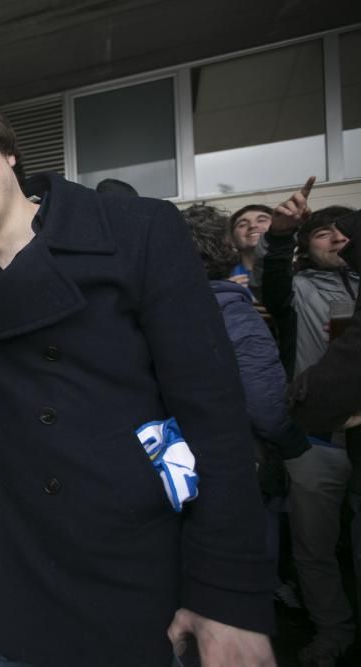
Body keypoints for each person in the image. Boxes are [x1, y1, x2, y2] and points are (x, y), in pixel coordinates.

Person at [0, 99, 275, 667]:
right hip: (3, 603)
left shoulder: (137, 233)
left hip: (125, 591)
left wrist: (228, 598)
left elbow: (215, 422)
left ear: (8, 152)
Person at [257, 183, 360, 667]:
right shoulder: (295, 291)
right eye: (324, 233)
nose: (337, 240)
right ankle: (332, 633)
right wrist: (279, 237)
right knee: (313, 550)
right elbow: (273, 279)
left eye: (345, 233)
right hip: (316, 443)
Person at [180, 203, 309, 566]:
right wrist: (293, 445)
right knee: (247, 567)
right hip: (238, 463)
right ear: (226, 247)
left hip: (176, 465)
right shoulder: (235, 315)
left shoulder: (157, 309)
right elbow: (265, 404)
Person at [229, 204, 273, 292]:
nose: (252, 226)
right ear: (232, 240)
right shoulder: (221, 278)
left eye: (261, 220)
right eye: (242, 225)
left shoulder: (298, 275)